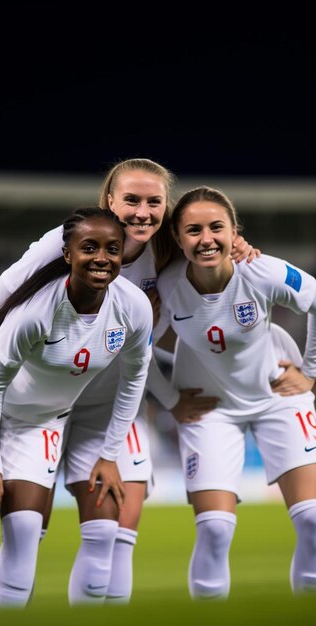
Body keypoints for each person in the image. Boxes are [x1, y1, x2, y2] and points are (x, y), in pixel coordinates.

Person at [0, 159, 258, 605]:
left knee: (111, 533)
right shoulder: (62, 246)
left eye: (154, 202)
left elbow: (207, 252)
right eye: (131, 200)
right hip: (19, 397)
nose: (143, 212)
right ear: (108, 201)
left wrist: (237, 245)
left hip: (95, 404)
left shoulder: (167, 254)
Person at [0, 207, 153, 608]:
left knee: (25, 532)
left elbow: (135, 379)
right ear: (67, 254)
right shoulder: (35, 311)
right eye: (89, 247)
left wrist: (109, 454)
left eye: (112, 249)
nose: (102, 257)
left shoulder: (133, 308)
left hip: (40, 422)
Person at [154, 185, 316, 599]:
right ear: (177, 238)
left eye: (216, 227)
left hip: (278, 397)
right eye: (193, 230)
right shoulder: (166, 285)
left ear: (233, 231)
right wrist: (170, 399)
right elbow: (133, 346)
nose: (206, 238)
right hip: (210, 409)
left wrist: (311, 373)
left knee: (313, 520)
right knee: (213, 529)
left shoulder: (261, 271)